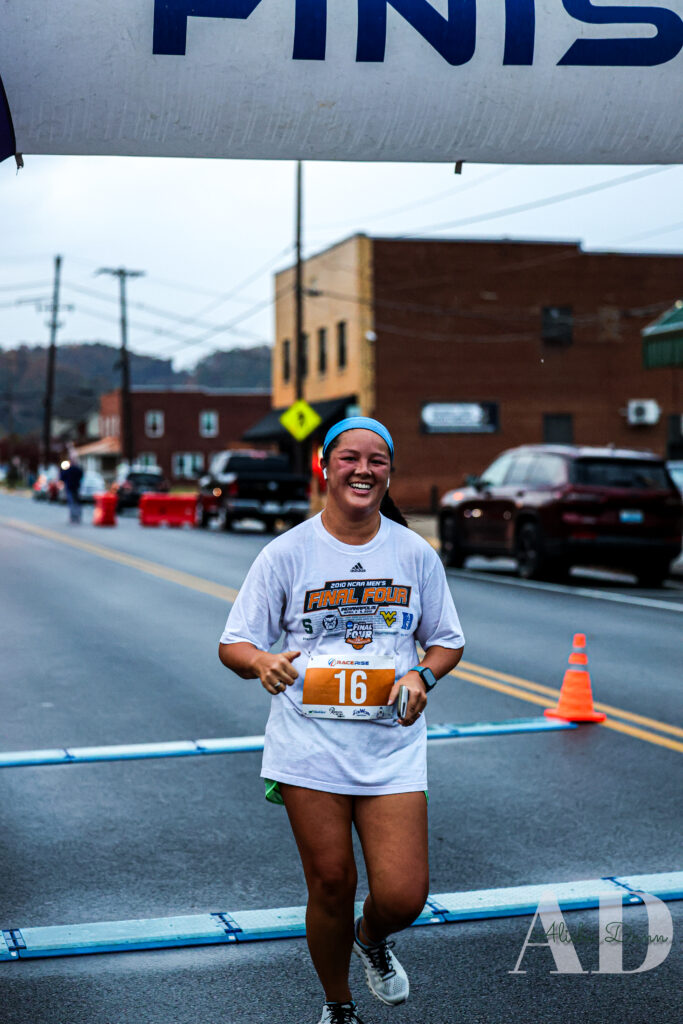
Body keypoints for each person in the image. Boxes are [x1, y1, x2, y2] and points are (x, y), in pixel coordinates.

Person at [219, 417, 464, 1024]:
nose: (363, 469)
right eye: (349, 457)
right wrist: (263, 662)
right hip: (310, 744)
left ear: (389, 472)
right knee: (330, 882)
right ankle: (339, 1005)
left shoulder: (413, 553)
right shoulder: (287, 552)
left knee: (404, 896)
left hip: (390, 748)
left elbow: (447, 640)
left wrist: (421, 675)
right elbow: (234, 642)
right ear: (325, 467)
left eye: (376, 460)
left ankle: (372, 937)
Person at [59, 454, 84, 524]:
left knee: (72, 503)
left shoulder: (68, 469)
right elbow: (81, 475)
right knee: (77, 502)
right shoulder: (78, 469)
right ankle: (78, 517)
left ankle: (73, 517)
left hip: (70, 488)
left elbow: (62, 477)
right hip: (77, 487)